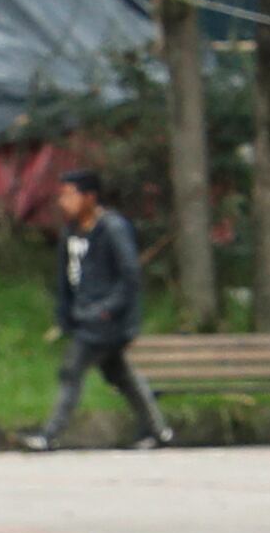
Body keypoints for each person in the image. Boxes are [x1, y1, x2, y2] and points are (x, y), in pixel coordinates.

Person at [23, 171, 171, 451]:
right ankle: (159, 431)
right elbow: (65, 278)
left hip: (107, 321)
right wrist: (65, 314)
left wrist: (107, 309)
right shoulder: (71, 232)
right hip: (85, 317)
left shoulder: (112, 228)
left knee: (71, 370)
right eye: (62, 195)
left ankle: (49, 435)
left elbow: (130, 276)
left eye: (70, 194)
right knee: (121, 376)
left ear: (90, 197)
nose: (64, 201)